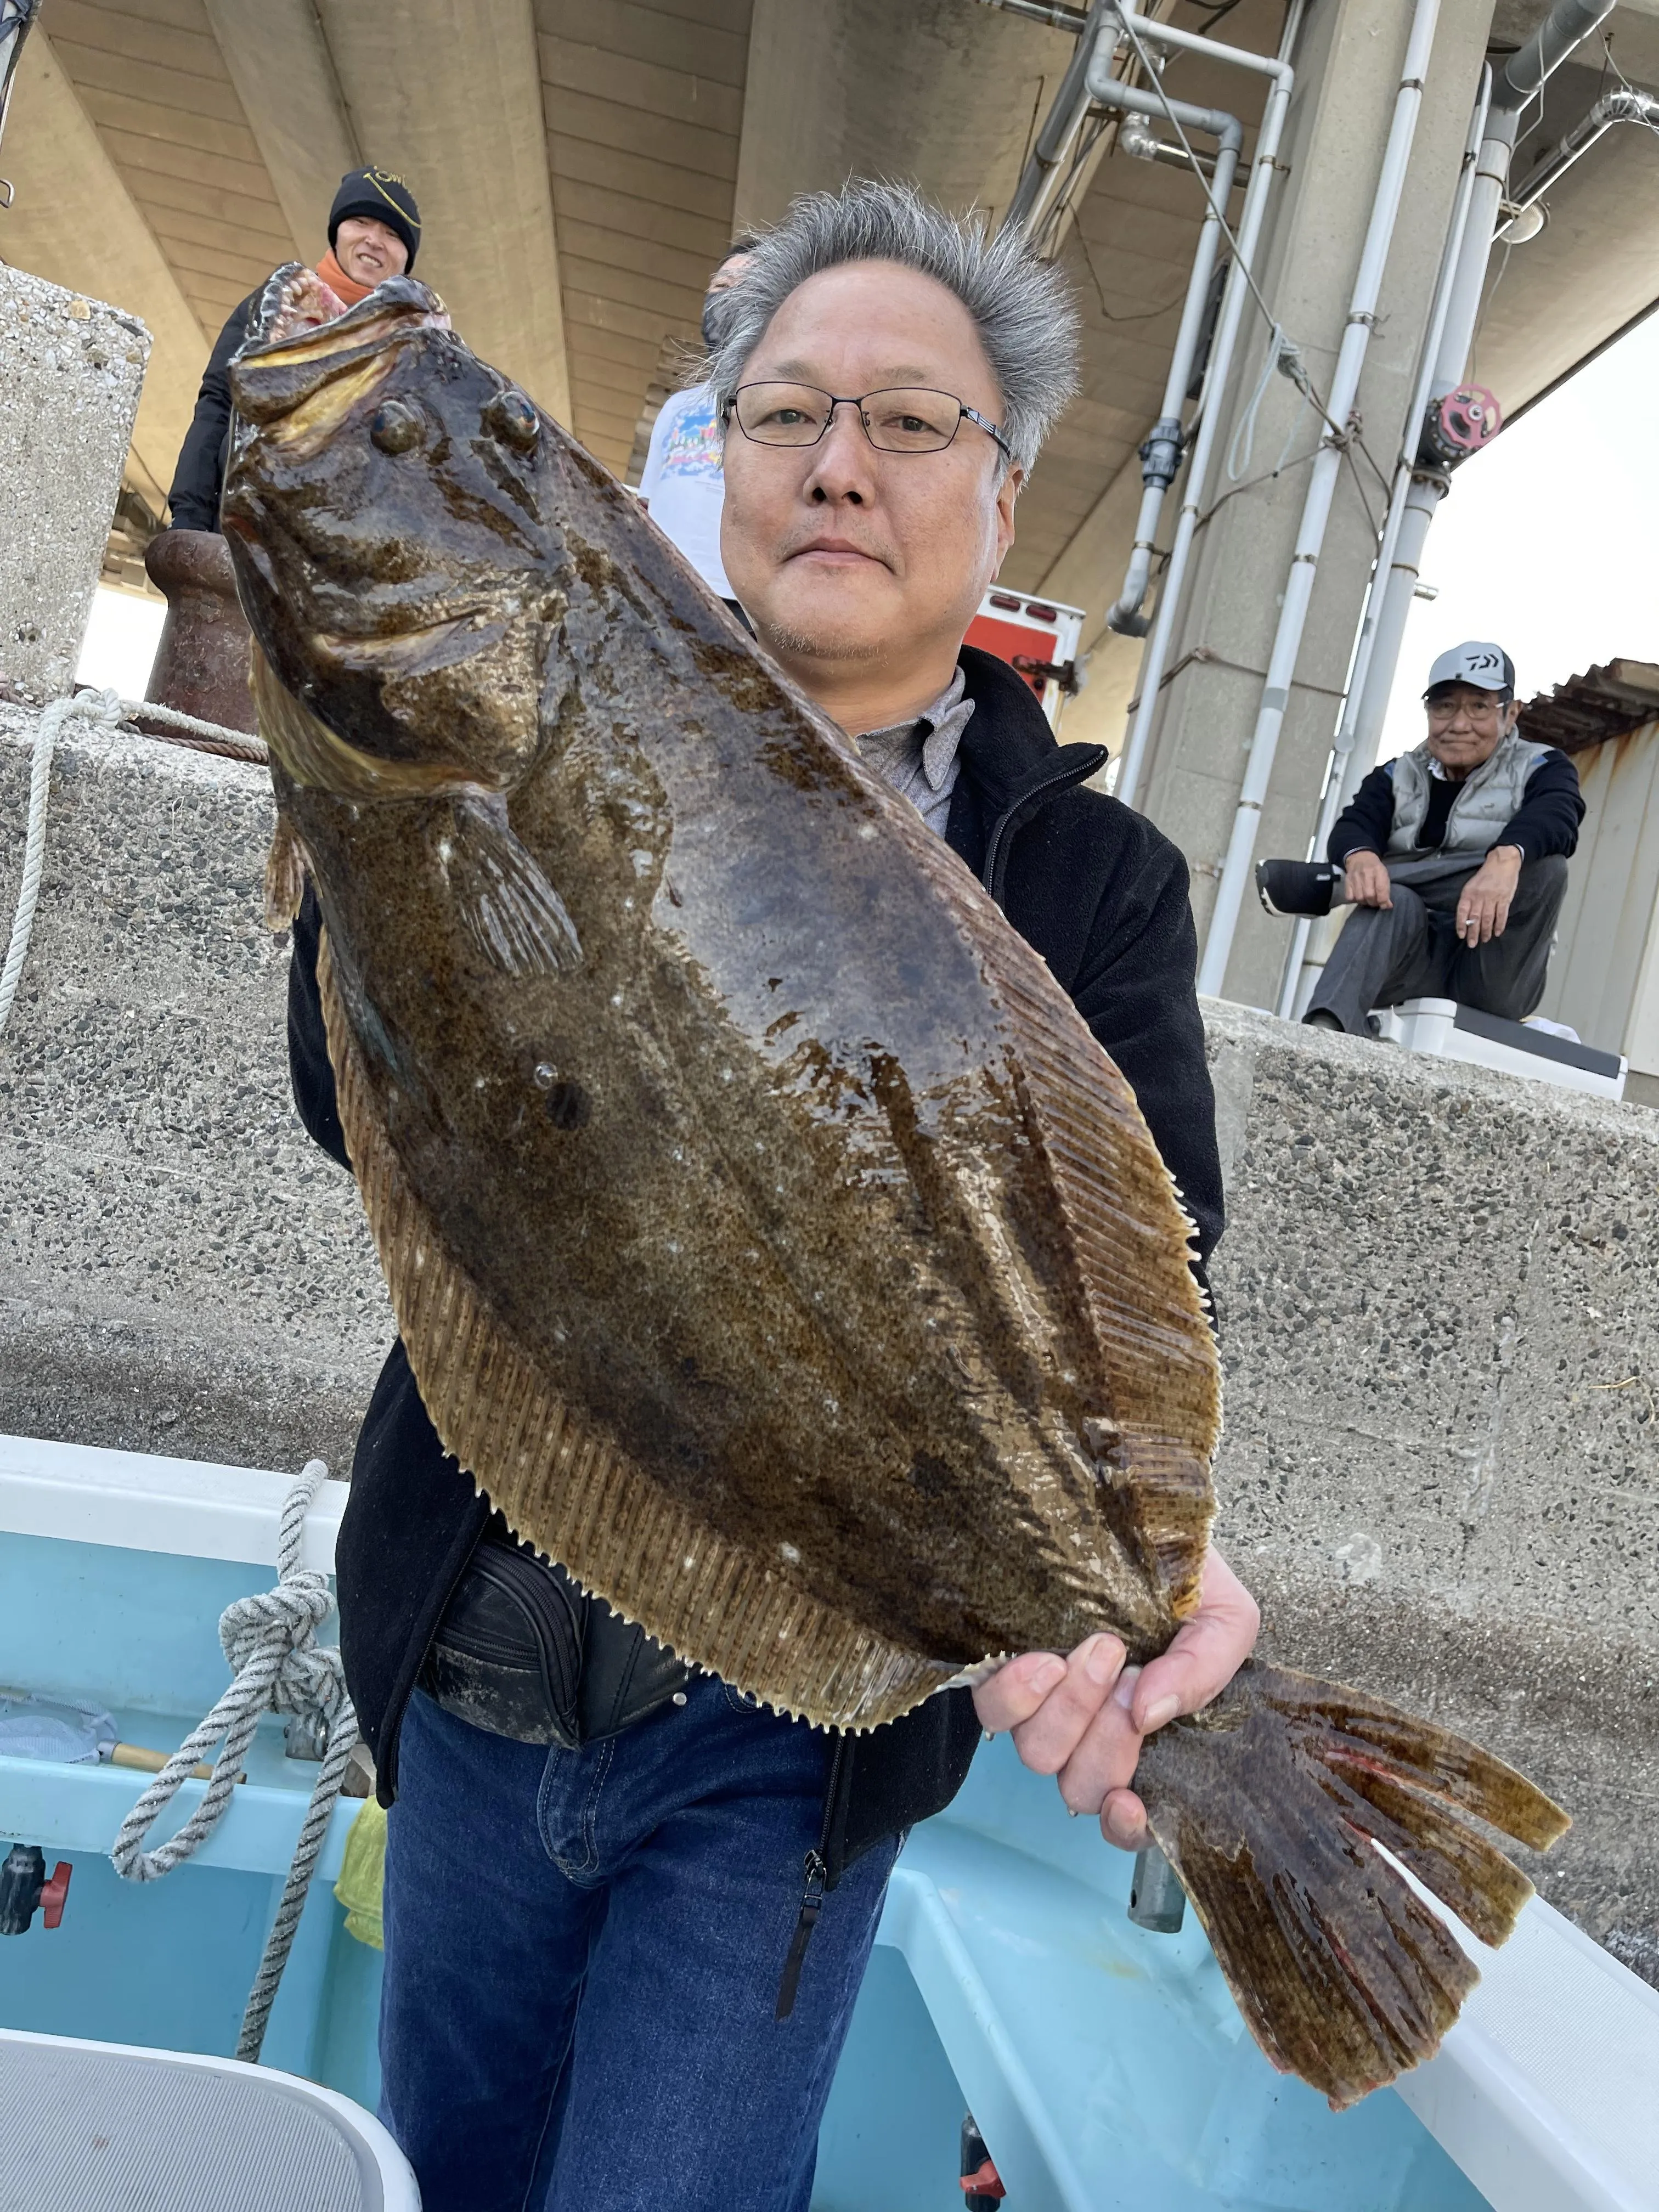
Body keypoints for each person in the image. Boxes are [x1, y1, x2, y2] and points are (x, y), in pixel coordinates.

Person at [285, 178, 1259, 2212]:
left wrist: (1134, 1567)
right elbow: (346, 1097)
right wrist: (380, 827)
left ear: (999, 493)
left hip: (775, 1763)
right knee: (442, 2172)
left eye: (906, 422)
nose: (835, 465)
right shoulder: (538, 703)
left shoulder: (1088, 882)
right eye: (781, 410)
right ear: (706, 462)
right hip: (469, 1658)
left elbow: (1147, 1247)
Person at [1258, 641, 1584, 1035]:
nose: (1459, 724)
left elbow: (1560, 814)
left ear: (1511, 713)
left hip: (1496, 973)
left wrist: (1503, 861)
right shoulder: (1396, 775)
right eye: (1444, 706)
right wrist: (1360, 861)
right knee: (1391, 898)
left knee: (1547, 869)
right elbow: (1354, 825)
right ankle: (1326, 1029)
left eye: (1479, 707)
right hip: (1409, 962)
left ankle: (1335, 889)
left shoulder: (1542, 766)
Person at [167, 167, 421, 533]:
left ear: (406, 258)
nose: (374, 240)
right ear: (338, 231)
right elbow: (218, 406)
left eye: (393, 234)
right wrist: (189, 517)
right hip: (241, 527)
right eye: (361, 221)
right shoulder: (279, 305)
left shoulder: (416, 352)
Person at [635, 236, 758, 595]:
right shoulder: (677, 407)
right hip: (654, 588)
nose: (725, 296)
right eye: (720, 286)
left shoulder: (790, 408)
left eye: (742, 287)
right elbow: (645, 504)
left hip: (737, 602)